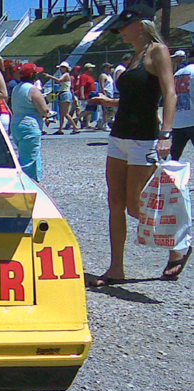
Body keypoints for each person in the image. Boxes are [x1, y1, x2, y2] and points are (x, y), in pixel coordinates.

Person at [88, 4, 186, 285]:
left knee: (134, 206)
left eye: (123, 26)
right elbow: (137, 96)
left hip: (144, 137)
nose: (119, 31)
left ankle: (179, 244)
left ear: (140, 25)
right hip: (119, 135)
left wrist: (166, 133)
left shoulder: (158, 51)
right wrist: (110, 102)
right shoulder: (134, 57)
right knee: (114, 202)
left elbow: (169, 93)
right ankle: (115, 268)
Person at [10, 63, 50, 182]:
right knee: (30, 161)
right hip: (30, 125)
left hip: (17, 124)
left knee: (24, 155)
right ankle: (29, 184)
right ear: (33, 75)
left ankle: (30, 182)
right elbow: (44, 110)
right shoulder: (32, 90)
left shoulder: (16, 88)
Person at [43, 61, 79, 135]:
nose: (61, 69)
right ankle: (60, 129)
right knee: (62, 113)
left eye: (62, 68)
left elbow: (59, 80)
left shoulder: (66, 75)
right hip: (62, 93)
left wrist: (49, 76)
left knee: (65, 113)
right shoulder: (65, 75)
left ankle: (75, 127)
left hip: (65, 94)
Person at [171, 56, 194, 160]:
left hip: (177, 120)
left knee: (174, 155)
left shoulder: (177, 74)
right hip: (192, 118)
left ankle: (167, 175)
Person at [77, 63, 97, 129]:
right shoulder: (84, 76)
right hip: (86, 96)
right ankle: (76, 119)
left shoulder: (90, 76)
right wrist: (82, 94)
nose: (92, 69)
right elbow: (82, 86)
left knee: (90, 110)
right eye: (91, 68)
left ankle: (87, 124)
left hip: (92, 95)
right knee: (87, 110)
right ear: (88, 69)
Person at [97, 63, 114, 130]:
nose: (110, 69)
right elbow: (102, 86)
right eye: (109, 68)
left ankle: (102, 121)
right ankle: (105, 124)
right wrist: (104, 95)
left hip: (110, 94)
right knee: (105, 110)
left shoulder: (109, 76)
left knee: (111, 110)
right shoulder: (103, 75)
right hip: (106, 93)